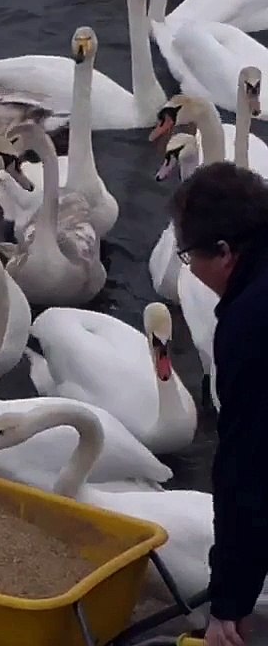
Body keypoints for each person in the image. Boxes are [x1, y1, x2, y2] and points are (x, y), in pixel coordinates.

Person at [170, 161, 268, 646]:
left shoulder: (251, 322)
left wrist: (228, 606)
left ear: (225, 252)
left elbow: (248, 469)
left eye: (190, 258)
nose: (192, 271)